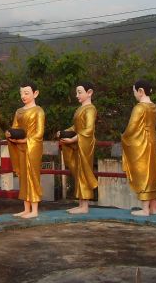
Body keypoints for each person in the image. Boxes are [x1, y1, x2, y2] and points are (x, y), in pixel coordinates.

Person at [6, 81, 44, 218]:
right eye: (21, 93)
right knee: (22, 176)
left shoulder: (38, 111)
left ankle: (34, 210)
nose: (23, 96)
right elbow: (15, 127)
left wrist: (26, 140)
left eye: (26, 93)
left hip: (32, 147)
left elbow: (39, 133)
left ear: (35, 93)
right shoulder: (19, 111)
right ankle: (26, 208)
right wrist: (10, 134)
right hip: (20, 146)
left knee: (32, 176)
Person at [121, 79, 156, 216]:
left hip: (142, 142)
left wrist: (124, 136)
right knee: (152, 173)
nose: (134, 95)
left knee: (143, 173)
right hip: (152, 141)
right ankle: (153, 207)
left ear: (141, 91)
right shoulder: (154, 107)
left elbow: (131, 128)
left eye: (134, 92)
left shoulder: (139, 107)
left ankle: (145, 208)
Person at [59, 81, 98, 214]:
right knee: (78, 172)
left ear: (89, 93)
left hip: (85, 143)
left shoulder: (91, 109)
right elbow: (76, 127)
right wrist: (64, 132)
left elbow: (88, 130)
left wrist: (72, 139)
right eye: (77, 92)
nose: (77, 95)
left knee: (83, 172)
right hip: (78, 143)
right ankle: (81, 204)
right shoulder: (80, 109)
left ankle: (85, 205)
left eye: (79, 92)